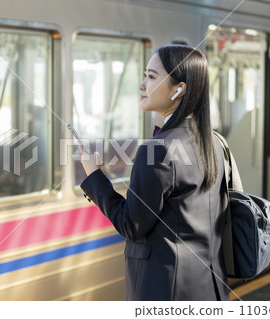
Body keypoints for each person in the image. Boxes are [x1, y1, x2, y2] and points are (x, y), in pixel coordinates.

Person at [79, 45, 229, 301]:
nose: (141, 85)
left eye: (151, 76)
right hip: (209, 287)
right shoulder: (214, 142)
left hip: (164, 291)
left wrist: (95, 178)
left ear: (178, 89)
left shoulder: (158, 150)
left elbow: (131, 226)